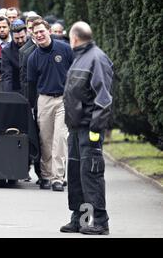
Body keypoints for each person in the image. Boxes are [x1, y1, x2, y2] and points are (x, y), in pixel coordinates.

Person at [60, 21, 113, 235]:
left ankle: (100, 221)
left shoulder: (97, 59)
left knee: (91, 174)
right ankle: (80, 219)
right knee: (76, 174)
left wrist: (95, 129)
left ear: (74, 38)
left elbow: (104, 99)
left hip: (88, 129)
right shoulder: (81, 56)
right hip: (75, 128)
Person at [27, 19, 73, 191]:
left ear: (49, 31)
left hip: (64, 99)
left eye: (42, 31)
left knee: (60, 138)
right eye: (36, 33)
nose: (39, 35)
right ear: (33, 36)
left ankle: (58, 178)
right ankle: (45, 176)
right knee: (45, 139)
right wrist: (32, 106)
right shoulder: (33, 58)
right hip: (44, 99)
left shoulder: (65, 49)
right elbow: (31, 84)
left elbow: (75, 71)